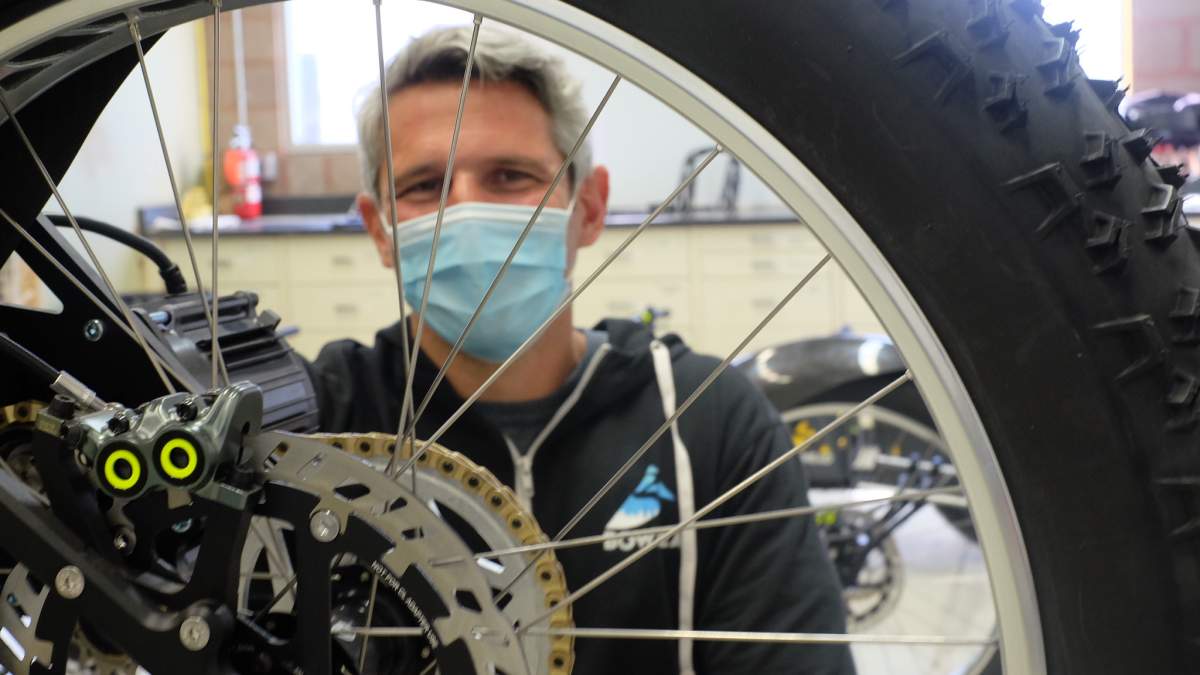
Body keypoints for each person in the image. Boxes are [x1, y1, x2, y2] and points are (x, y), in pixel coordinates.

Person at [307, 25, 855, 675]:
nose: (467, 213)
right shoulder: (319, 420)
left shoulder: (709, 422)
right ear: (381, 230)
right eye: (426, 185)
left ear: (587, 208)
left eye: (510, 176)